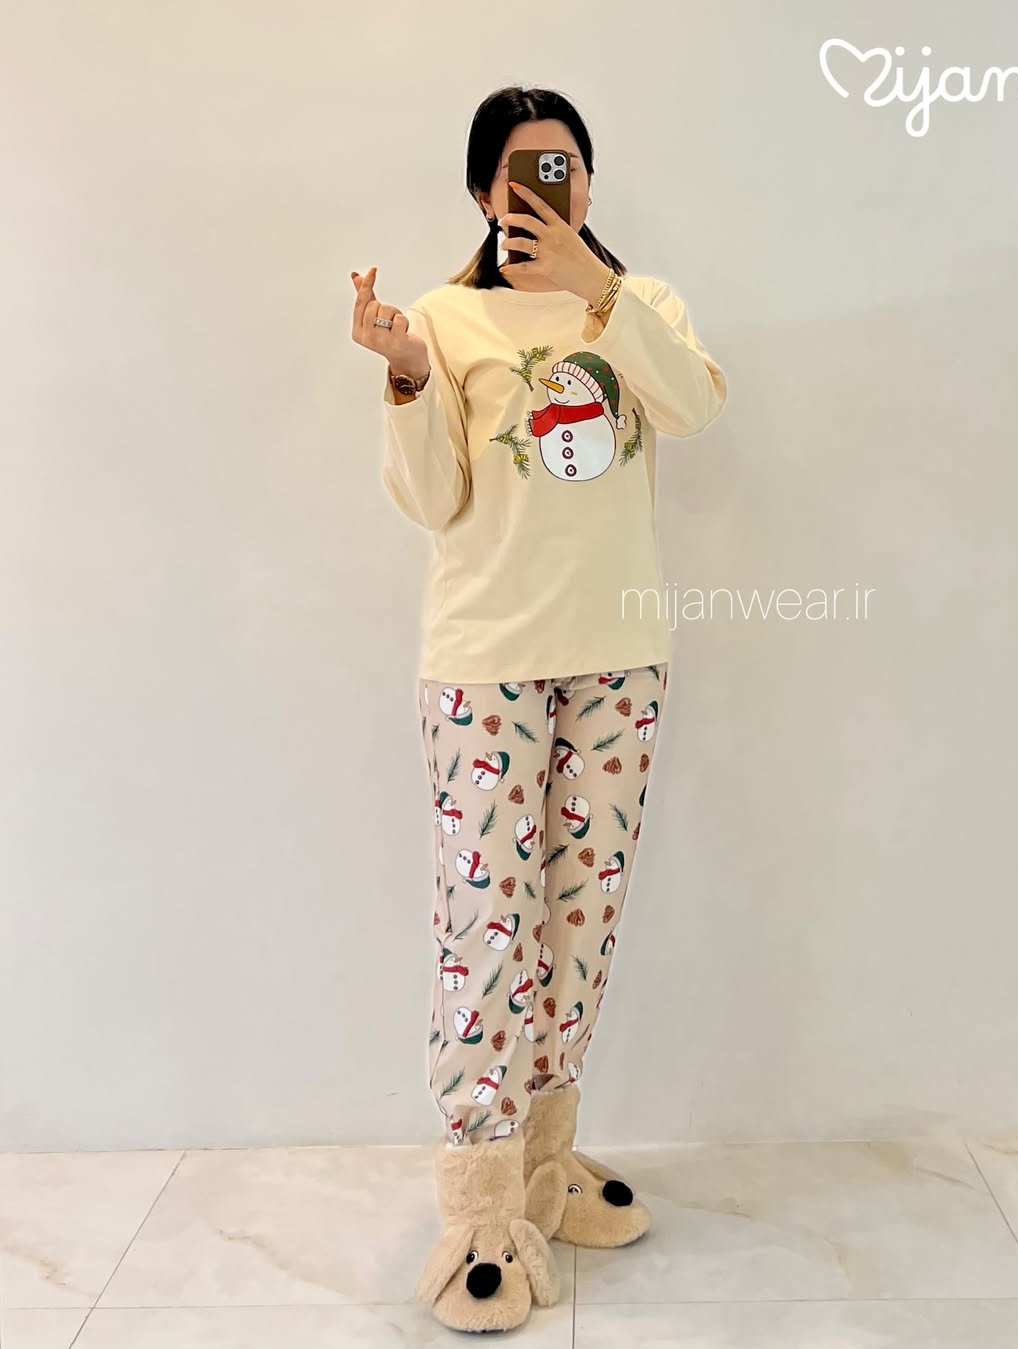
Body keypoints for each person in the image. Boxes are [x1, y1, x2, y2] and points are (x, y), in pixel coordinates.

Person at [350, 84, 727, 1335]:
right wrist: (410, 376)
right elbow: (434, 500)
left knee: (581, 915)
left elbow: (693, 406)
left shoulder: (641, 303)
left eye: (565, 166)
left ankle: (545, 1165)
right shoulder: (445, 316)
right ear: (482, 192)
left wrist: (597, 291)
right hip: (485, 662)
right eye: (522, 172)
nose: (546, 189)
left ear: (589, 180)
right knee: (487, 921)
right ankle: (477, 1203)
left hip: (618, 656)